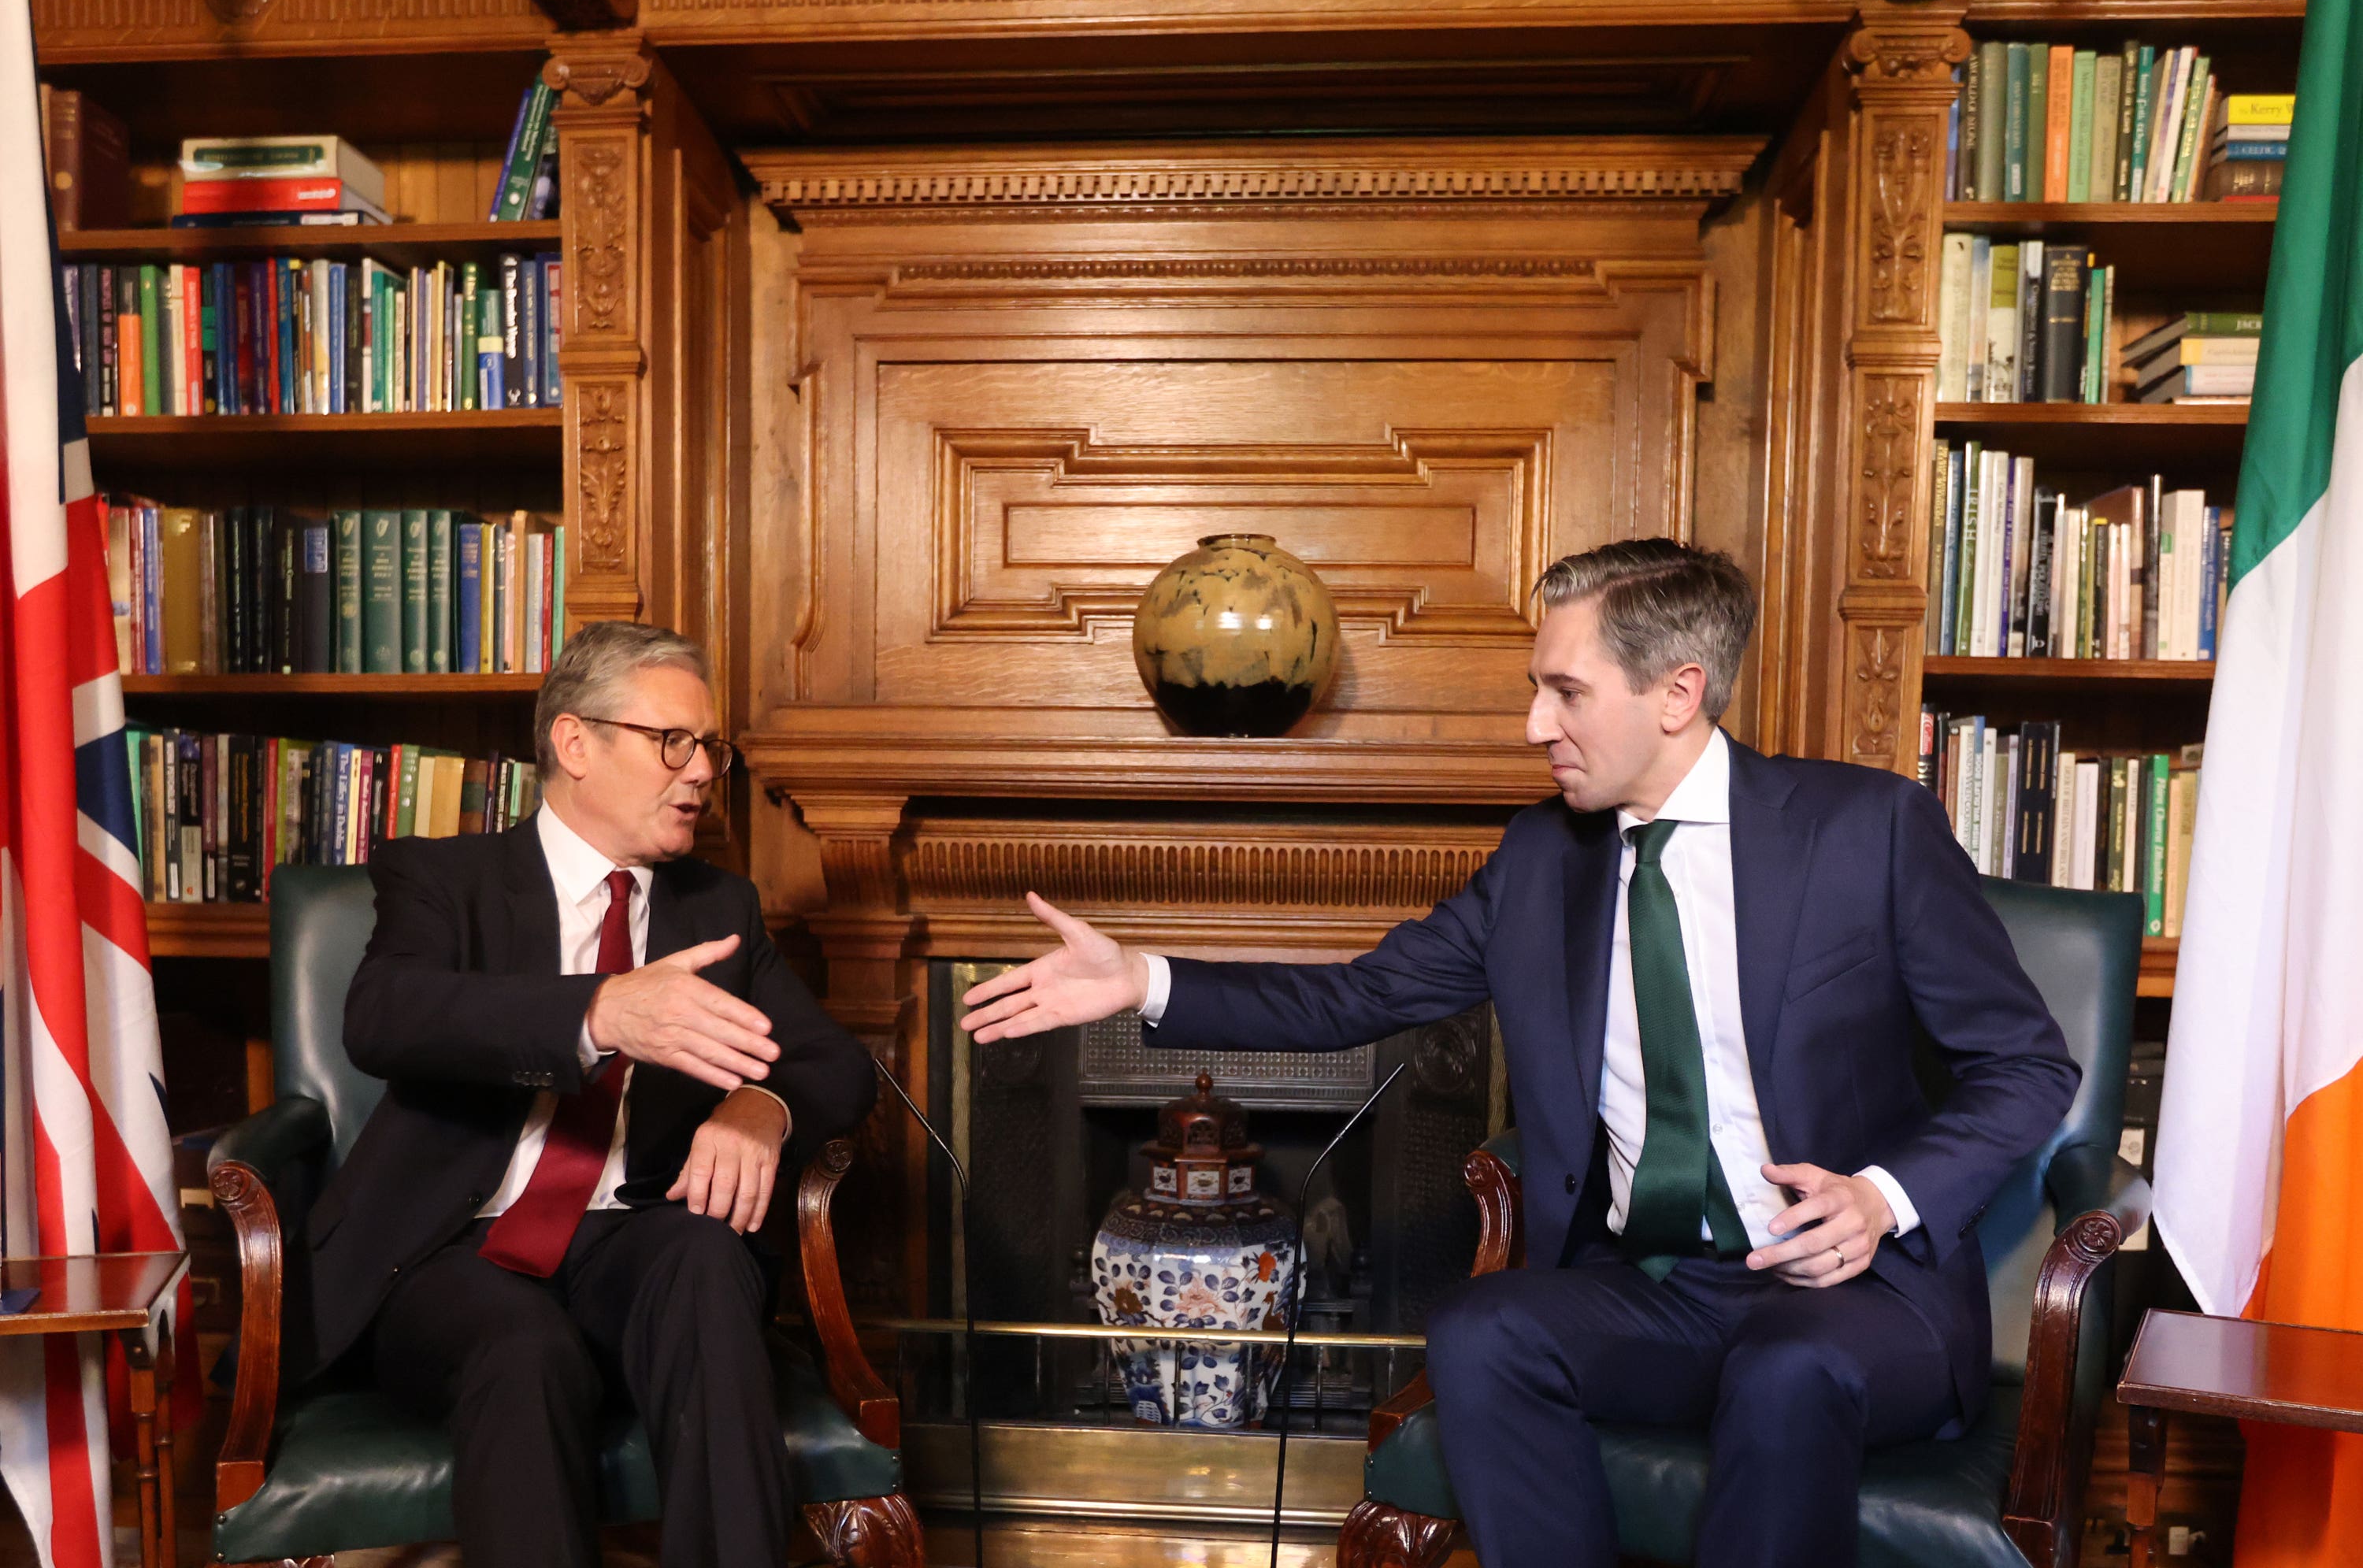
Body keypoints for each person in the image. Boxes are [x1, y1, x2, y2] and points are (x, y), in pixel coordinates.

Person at [959, 539, 2079, 1568]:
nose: (1534, 726)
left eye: (1567, 693)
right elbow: (1363, 995)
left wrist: (1883, 1199)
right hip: (1663, 1289)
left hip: (1854, 1295)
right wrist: (1144, 979)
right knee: (1484, 1330)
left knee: (1785, 1374)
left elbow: (2028, 1065)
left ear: (1678, 692)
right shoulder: (1546, 858)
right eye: (1537, 691)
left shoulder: (1867, 831)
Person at [297, 621, 876, 1568]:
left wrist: (758, 1110)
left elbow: (834, 1063)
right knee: (523, 1348)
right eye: (672, 742)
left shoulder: (715, 908)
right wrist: (602, 1011)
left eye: (710, 748)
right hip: (454, 1248)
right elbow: (386, 1015)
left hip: (632, 1240)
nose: (700, 772)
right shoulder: (445, 877)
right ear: (575, 743)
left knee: (707, 1258)